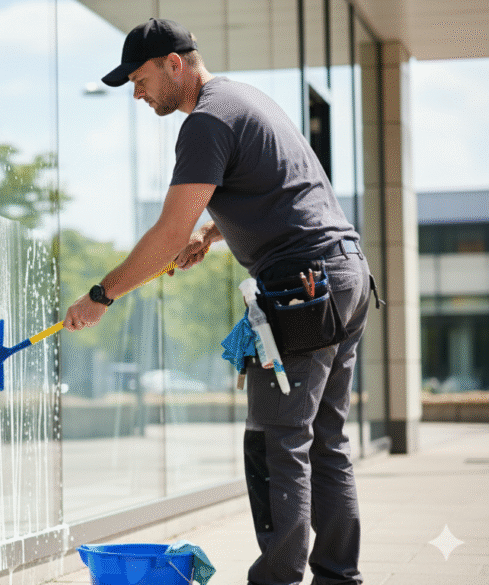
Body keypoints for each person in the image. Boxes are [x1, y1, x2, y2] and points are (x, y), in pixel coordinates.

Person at [64, 19, 375, 585]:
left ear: (174, 64)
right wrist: (211, 235)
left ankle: (277, 579)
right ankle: (339, 577)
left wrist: (101, 294)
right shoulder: (243, 98)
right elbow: (279, 188)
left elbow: (164, 233)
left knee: (276, 443)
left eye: (139, 78)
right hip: (343, 275)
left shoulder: (206, 121)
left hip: (303, 288)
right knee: (326, 443)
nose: (137, 92)